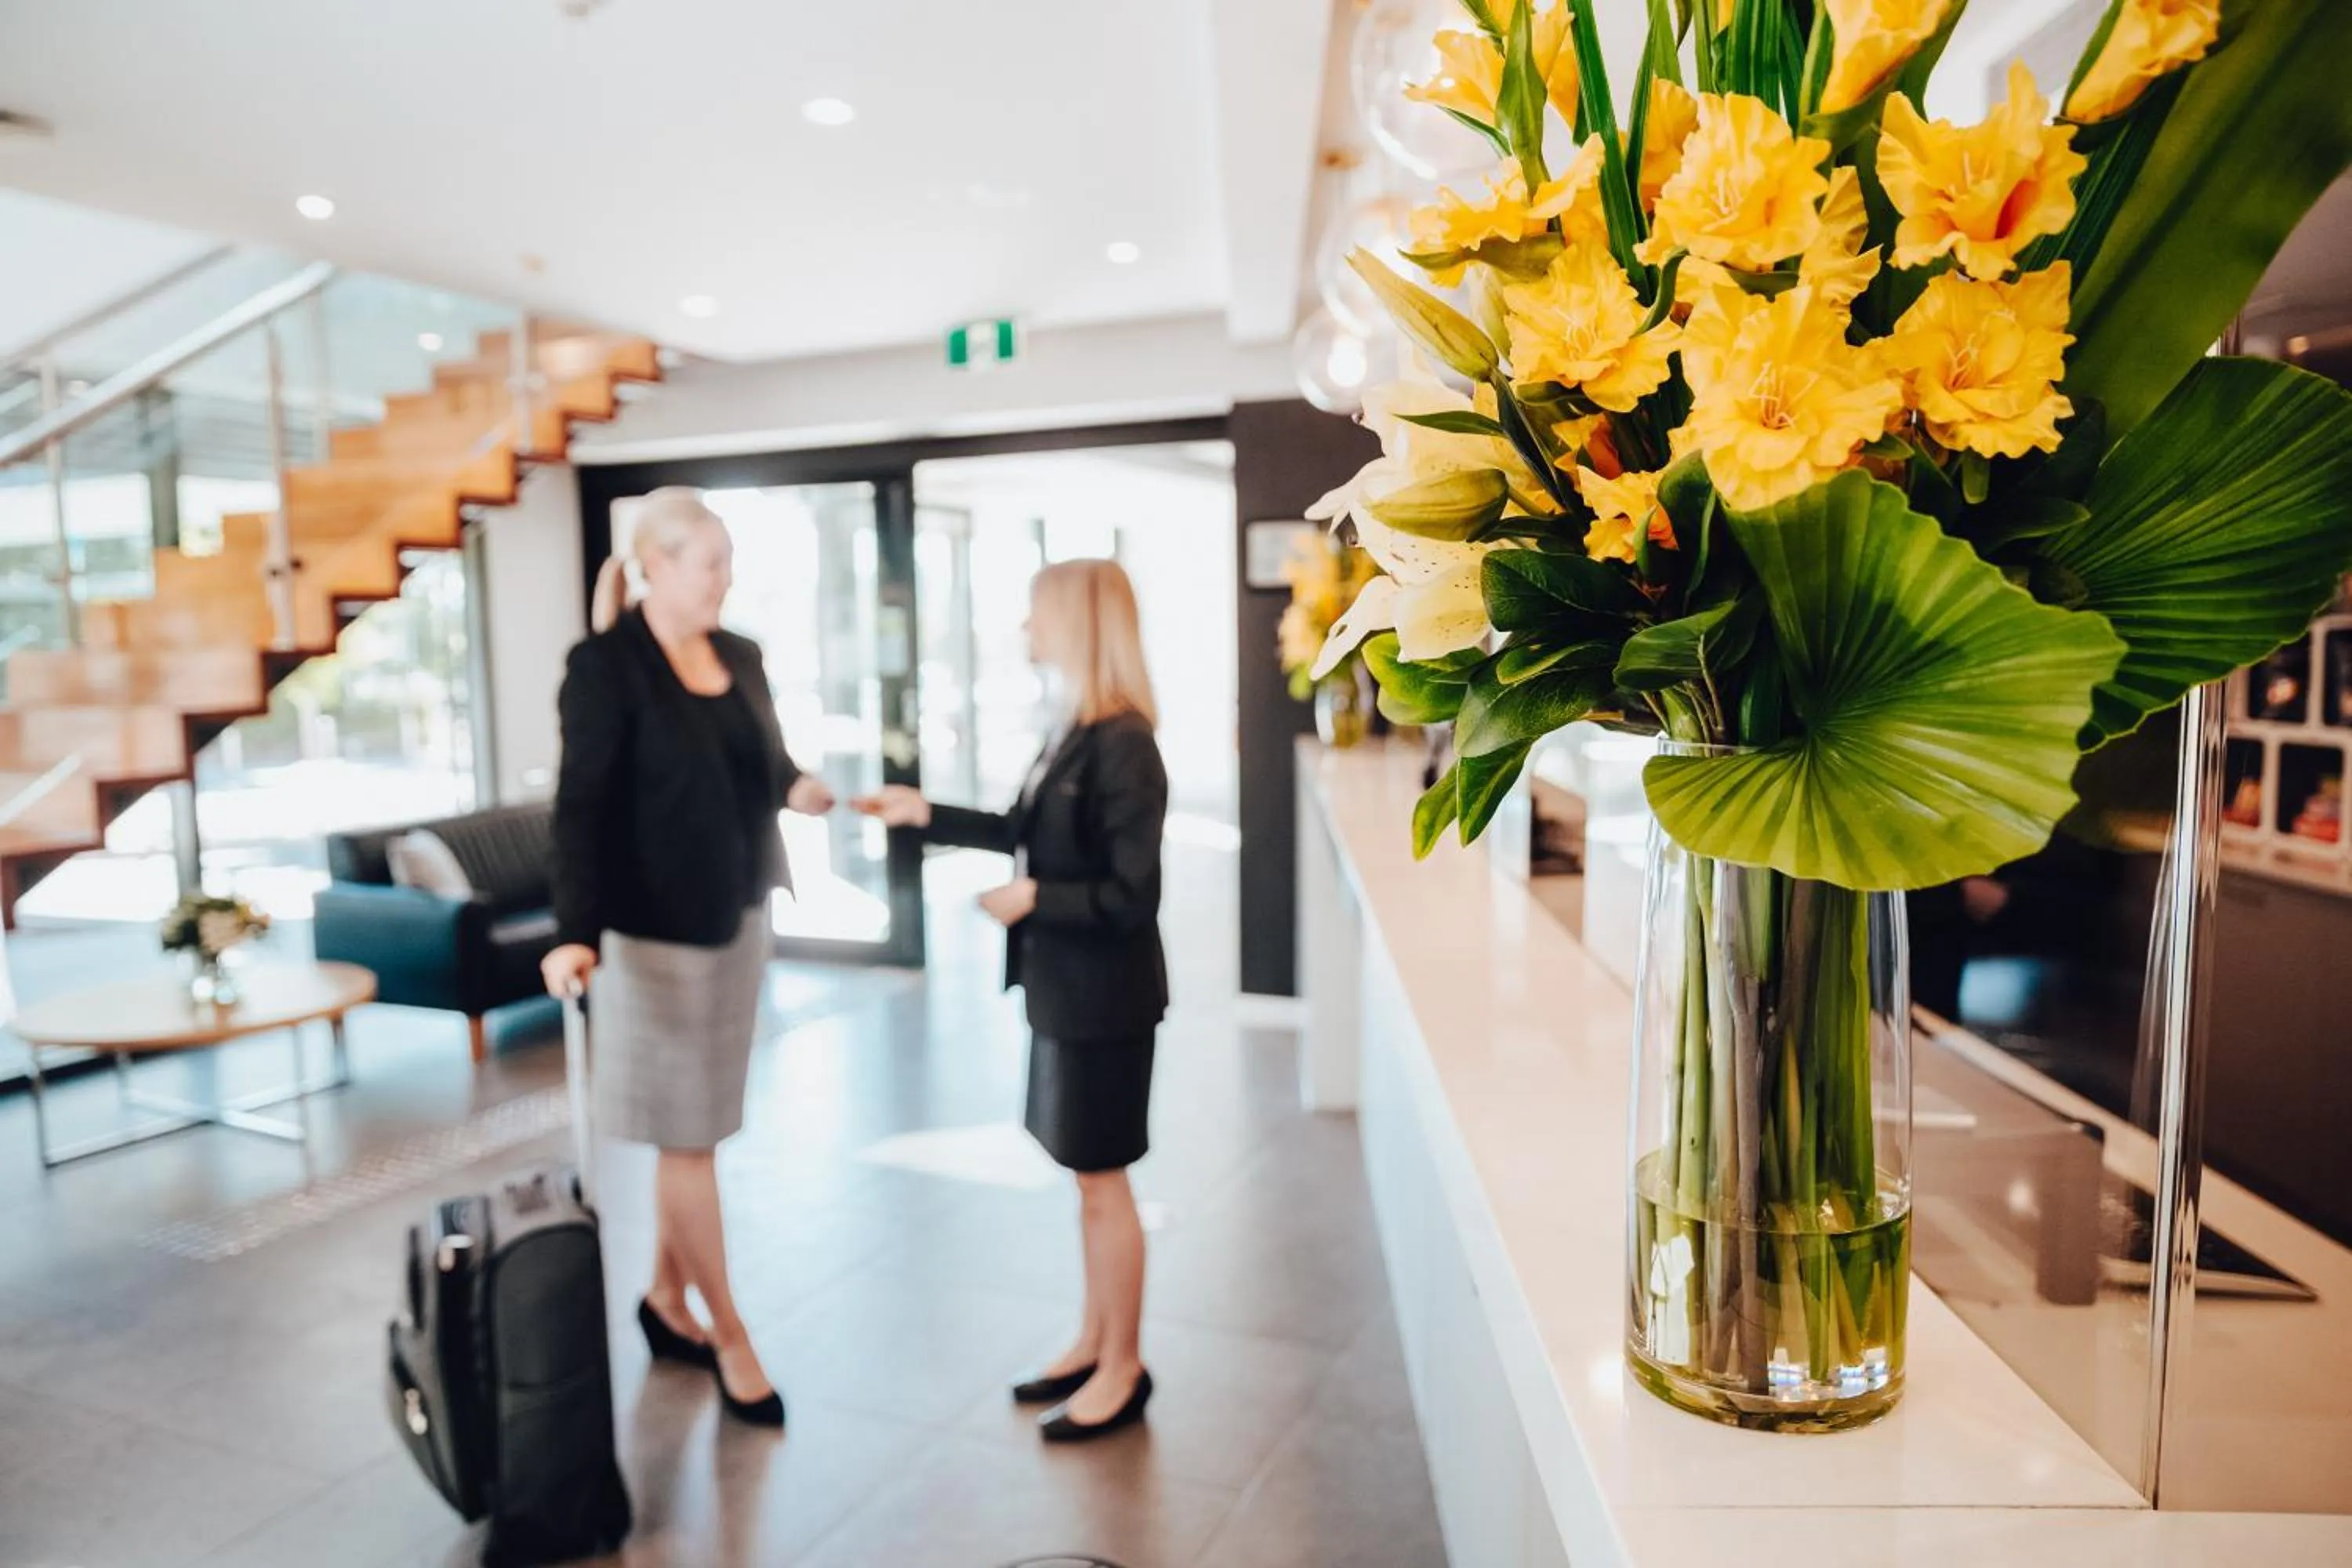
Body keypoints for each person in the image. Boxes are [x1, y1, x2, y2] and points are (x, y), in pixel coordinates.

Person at [856, 557, 1169, 1443]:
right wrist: (926, 812)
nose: (1024, 631)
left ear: (1077, 622)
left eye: (1036, 616)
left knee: (1107, 1186)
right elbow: (1016, 831)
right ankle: (1094, 1338)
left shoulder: (1125, 742)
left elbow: (1132, 895)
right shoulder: (1073, 725)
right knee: (1088, 1182)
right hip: (1066, 993)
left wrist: (1035, 898)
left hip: (1108, 998)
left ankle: (1124, 1365)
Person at [542, 486, 833, 1428]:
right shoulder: (604, 666)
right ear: (655, 564)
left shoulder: (739, 653)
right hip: (652, 940)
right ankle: (731, 1333)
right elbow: (579, 807)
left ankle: (667, 1301)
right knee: (689, 1141)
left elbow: (767, 764)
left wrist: (803, 787)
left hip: (738, 920)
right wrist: (574, 931)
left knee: (700, 1128)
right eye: (710, 561)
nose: (725, 577)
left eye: (727, 560)